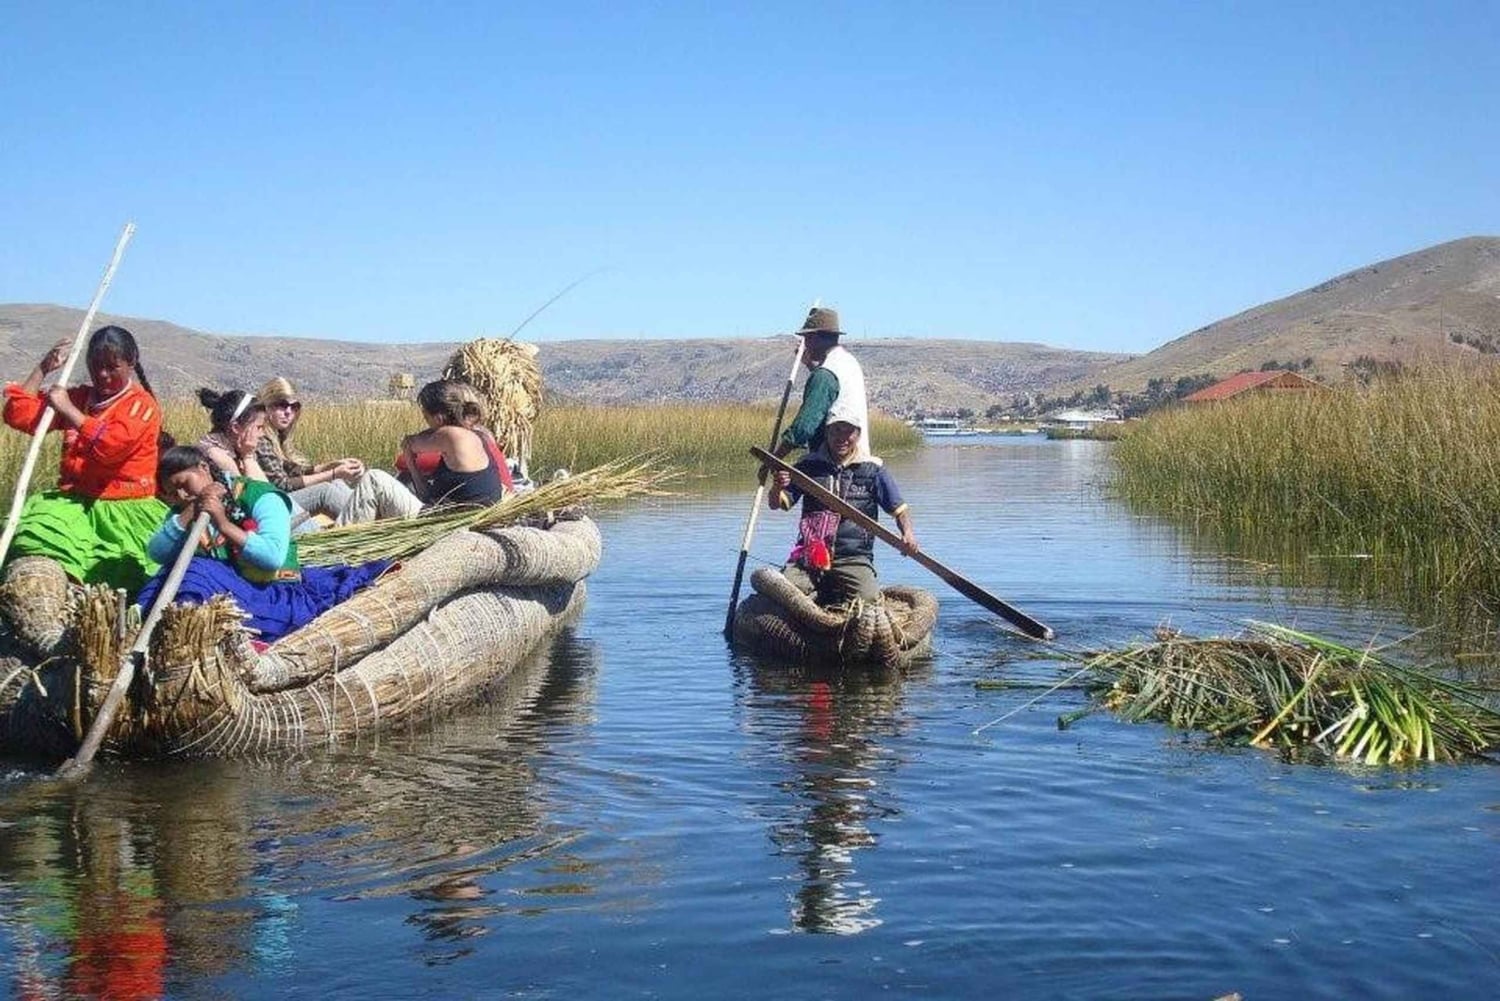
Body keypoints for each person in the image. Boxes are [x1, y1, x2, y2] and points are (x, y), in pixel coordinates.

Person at [136, 446, 389, 641]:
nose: (182, 495)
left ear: (203, 468)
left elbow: (272, 557)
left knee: (195, 571)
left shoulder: (258, 495)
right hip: (225, 593)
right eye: (173, 493)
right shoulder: (184, 510)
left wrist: (223, 524)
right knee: (165, 575)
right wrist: (189, 513)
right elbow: (157, 553)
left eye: (184, 484)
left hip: (269, 591)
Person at [1, 325, 169, 593]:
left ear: (131, 363)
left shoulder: (141, 405)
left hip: (123, 510)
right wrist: (43, 368)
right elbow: (20, 415)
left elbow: (112, 446)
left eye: (112, 367)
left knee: (119, 577)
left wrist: (68, 409)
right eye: (95, 366)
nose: (102, 374)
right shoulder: (81, 397)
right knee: (34, 542)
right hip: (73, 504)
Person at [767, 414, 917, 607]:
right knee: (783, 594)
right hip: (810, 555)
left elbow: (899, 509)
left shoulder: (872, 470)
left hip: (853, 557)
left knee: (868, 601)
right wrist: (777, 487)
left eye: (848, 432)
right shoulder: (808, 465)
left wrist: (908, 533)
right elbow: (776, 504)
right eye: (836, 431)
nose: (842, 438)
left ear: (858, 435)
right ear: (827, 433)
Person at [340, 379, 509, 524]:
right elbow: (426, 495)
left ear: (438, 418)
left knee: (374, 478)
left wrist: (409, 449)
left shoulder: (451, 435)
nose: (426, 422)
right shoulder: (477, 434)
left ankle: (341, 538)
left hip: (449, 521)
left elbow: (411, 443)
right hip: (453, 515)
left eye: (426, 417)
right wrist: (412, 466)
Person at [253, 377, 361, 521]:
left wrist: (332, 466)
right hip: (273, 504)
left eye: (294, 407)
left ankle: (366, 515)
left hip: (282, 499)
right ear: (266, 406)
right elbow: (282, 485)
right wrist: (333, 473)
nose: (288, 412)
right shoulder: (261, 439)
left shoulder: (276, 436)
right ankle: (365, 522)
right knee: (325, 492)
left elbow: (296, 471)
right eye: (282, 405)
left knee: (336, 483)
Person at [774, 306, 871, 462]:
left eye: (806, 339)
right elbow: (831, 390)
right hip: (857, 460)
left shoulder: (825, 374)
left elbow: (804, 426)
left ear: (814, 338)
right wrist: (809, 365)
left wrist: (775, 458)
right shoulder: (848, 362)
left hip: (833, 466)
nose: (805, 345)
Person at [195, 388, 270, 481]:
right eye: (259, 427)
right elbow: (256, 489)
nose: (262, 434)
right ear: (236, 428)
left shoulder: (239, 449)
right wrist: (248, 457)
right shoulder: (217, 455)